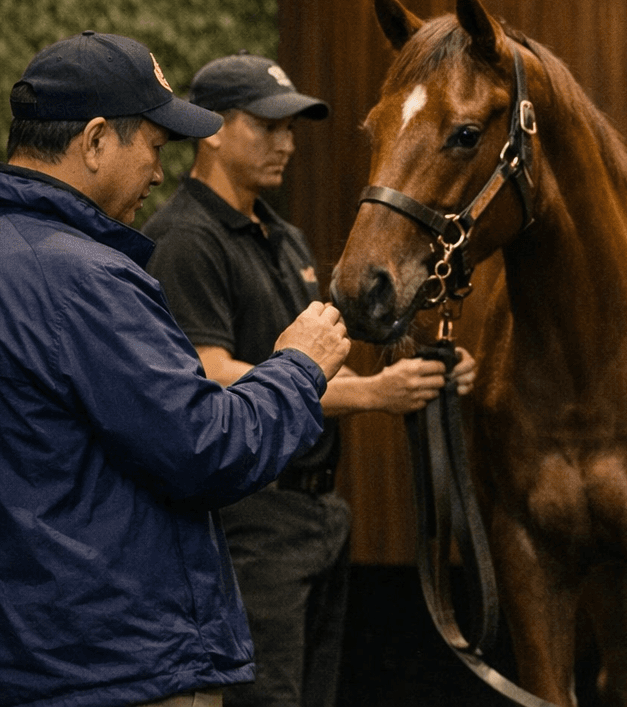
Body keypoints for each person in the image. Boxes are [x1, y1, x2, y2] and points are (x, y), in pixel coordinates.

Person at [0, 31, 353, 707]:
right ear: (95, 141)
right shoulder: (86, 282)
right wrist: (299, 365)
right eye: (154, 145)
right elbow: (207, 450)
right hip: (115, 674)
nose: (159, 173)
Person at [143, 53, 476, 707]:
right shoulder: (185, 239)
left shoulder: (283, 234)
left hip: (318, 514)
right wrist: (376, 395)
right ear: (212, 130)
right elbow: (214, 377)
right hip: (249, 518)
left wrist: (420, 374)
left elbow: (316, 362)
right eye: (268, 126)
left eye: (291, 128)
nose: (287, 143)